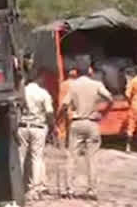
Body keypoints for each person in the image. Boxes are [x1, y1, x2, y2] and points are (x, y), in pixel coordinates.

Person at [60, 57, 113, 199]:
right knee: (92, 158)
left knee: (72, 157)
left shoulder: (73, 85)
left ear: (76, 71)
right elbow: (110, 98)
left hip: (76, 123)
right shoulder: (97, 85)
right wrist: (102, 113)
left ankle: (69, 189)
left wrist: (59, 118)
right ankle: (92, 190)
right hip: (92, 123)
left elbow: (64, 105)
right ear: (90, 70)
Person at [17, 68, 54, 199]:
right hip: (38, 127)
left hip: (22, 126)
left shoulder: (21, 92)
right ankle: (35, 188)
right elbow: (49, 113)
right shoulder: (43, 93)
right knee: (36, 157)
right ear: (39, 78)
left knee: (21, 158)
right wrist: (52, 127)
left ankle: (18, 187)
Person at [55, 68, 79, 147]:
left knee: (62, 129)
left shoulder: (64, 84)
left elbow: (61, 99)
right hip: (76, 110)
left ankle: (62, 147)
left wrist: (59, 113)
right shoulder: (78, 84)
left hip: (66, 109)